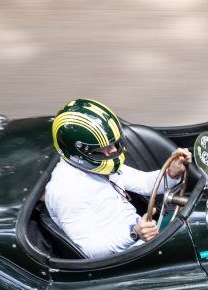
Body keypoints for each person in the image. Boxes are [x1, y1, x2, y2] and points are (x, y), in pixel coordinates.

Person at [45, 98, 191, 260]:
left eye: (114, 143)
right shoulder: (66, 190)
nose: (114, 150)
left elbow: (145, 184)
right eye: (105, 148)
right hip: (128, 256)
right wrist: (134, 233)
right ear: (80, 153)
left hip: (145, 237)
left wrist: (173, 172)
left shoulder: (97, 165)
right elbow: (87, 249)